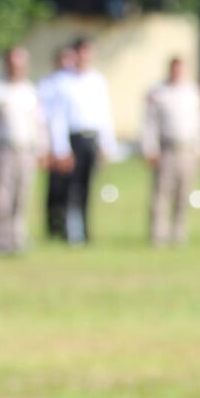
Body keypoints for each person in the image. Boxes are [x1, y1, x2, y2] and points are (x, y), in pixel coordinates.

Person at [140, 56, 200, 246]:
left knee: (184, 195)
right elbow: (150, 124)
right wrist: (150, 148)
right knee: (161, 195)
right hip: (167, 149)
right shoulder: (158, 92)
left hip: (188, 150)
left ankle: (179, 235)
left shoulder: (193, 92)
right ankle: (159, 235)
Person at [53, 37, 117, 244]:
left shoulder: (97, 81)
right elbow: (59, 118)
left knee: (87, 188)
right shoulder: (64, 82)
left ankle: (85, 230)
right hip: (74, 139)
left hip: (91, 139)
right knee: (72, 188)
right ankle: (72, 231)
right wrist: (61, 148)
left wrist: (107, 145)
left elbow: (104, 115)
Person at [0, 46, 47, 254]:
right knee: (2, 198)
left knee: (22, 197)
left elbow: (39, 123)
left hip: (26, 150)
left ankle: (18, 237)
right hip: (5, 149)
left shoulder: (30, 91)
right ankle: (1, 239)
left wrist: (42, 148)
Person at [38, 44, 77, 239]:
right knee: (54, 191)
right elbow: (46, 119)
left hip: (74, 142)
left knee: (73, 190)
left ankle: (72, 229)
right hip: (53, 144)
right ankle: (54, 228)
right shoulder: (48, 84)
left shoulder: (77, 84)